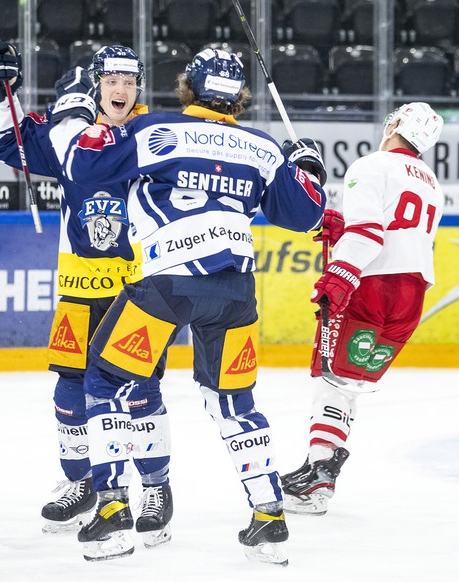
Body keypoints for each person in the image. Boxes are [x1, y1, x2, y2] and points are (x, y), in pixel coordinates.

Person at [48, 48, 327, 563]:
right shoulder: (263, 147)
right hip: (236, 292)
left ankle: (111, 512)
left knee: (103, 380)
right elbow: (307, 214)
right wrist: (306, 165)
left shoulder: (158, 130)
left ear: (187, 88)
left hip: (168, 284)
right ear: (239, 97)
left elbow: (84, 167)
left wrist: (76, 115)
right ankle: (268, 516)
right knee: (235, 405)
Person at [0, 43, 175, 547]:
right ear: (96, 84)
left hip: (140, 291)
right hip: (78, 289)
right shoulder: (71, 134)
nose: (122, 89)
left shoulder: (153, 138)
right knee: (70, 391)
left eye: (130, 82)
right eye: (112, 80)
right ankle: (83, 481)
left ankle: (155, 487)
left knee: (140, 390)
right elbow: (6, 141)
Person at [279, 102, 444, 516]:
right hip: (410, 297)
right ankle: (320, 472)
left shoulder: (371, 165)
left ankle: (320, 472)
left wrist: (339, 275)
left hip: (372, 288)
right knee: (347, 384)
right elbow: (393, 232)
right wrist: (340, 225)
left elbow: (369, 236)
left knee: (328, 379)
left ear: (394, 124)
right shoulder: (430, 181)